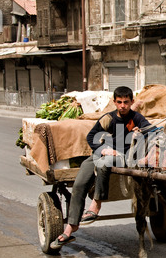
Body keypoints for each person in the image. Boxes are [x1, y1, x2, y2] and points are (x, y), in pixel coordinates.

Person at [51, 86, 151, 249]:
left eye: (126, 102)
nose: (123, 106)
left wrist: (141, 134)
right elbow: (91, 136)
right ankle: (71, 228)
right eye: (119, 102)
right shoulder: (108, 118)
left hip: (122, 157)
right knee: (79, 184)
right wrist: (103, 149)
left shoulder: (137, 118)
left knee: (105, 163)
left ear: (131, 102)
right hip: (102, 153)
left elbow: (152, 132)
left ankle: (95, 205)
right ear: (114, 102)